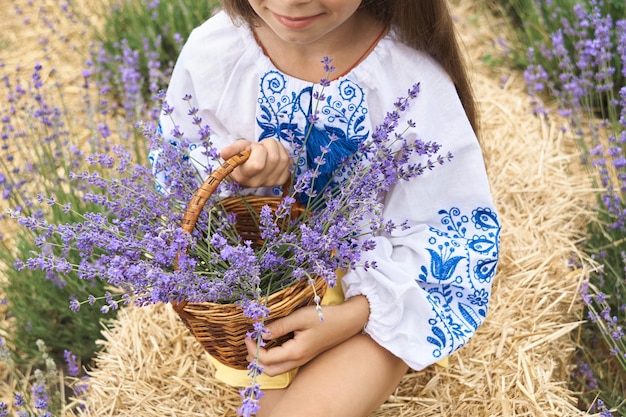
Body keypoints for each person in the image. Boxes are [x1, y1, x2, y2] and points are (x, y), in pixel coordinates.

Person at [153, 0, 501, 416]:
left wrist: (351, 317)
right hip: (267, 296)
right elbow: (176, 176)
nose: (288, 3)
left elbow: (451, 231)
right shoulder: (215, 51)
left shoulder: (410, 81)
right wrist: (238, 177)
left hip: (378, 302)